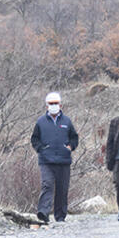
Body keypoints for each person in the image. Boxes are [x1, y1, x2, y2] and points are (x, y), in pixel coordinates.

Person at [30, 92, 79, 223]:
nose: (54, 106)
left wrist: (70, 147)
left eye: (56, 103)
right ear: (46, 106)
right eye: (51, 104)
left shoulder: (67, 121)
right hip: (46, 161)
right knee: (47, 185)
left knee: (62, 189)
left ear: (60, 105)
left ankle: (60, 216)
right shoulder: (40, 122)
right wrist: (41, 149)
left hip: (63, 160)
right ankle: (43, 213)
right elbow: (34, 139)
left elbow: (74, 137)